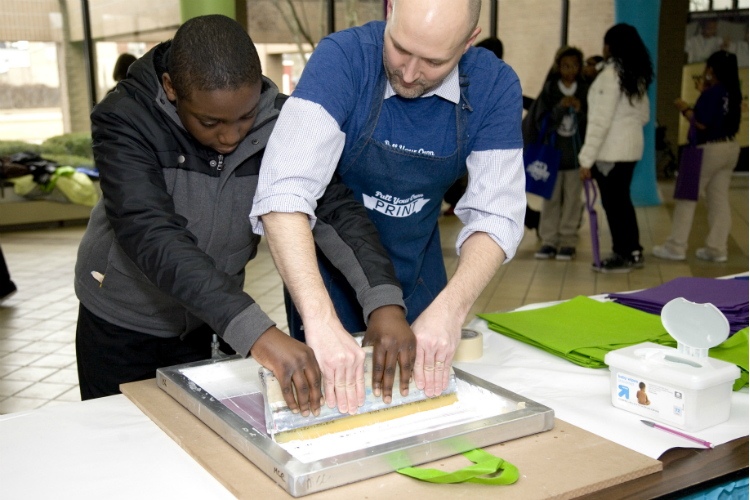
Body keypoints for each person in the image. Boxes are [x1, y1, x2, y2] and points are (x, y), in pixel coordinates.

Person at [74, 15, 413, 415]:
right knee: (119, 444)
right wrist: (260, 334)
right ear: (171, 88)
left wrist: (383, 301)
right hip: (121, 325)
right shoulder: (124, 118)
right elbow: (151, 234)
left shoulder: (283, 120)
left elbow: (335, 208)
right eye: (210, 121)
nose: (231, 136)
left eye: (246, 116)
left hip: (208, 320)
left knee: (194, 442)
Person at [251, 0, 525, 411]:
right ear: (390, 9)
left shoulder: (494, 86)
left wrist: (452, 310)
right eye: (399, 48)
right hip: (328, 275)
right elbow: (283, 189)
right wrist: (320, 319)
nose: (409, 73)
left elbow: (497, 214)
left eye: (433, 61)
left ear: (469, 41)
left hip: (420, 271)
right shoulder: (342, 59)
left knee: (420, 405)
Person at [652, 51, 742, 263]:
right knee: (718, 200)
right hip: (730, 149)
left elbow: (701, 122)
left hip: (707, 150)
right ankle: (717, 249)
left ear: (711, 69)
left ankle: (676, 246)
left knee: (687, 198)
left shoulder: (712, 94)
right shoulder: (733, 91)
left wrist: (684, 108)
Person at [578, 24, 652, 273]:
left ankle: (623, 253)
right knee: (622, 202)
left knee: (614, 204)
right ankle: (633, 251)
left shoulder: (609, 77)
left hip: (610, 154)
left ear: (611, 46)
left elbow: (599, 121)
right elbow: (643, 116)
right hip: (631, 151)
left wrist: (586, 160)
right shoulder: (636, 75)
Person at [527, 46, 588, 261]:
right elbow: (541, 120)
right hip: (551, 157)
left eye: (574, 66)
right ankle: (549, 241)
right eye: (565, 66)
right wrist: (560, 107)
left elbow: (590, 123)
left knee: (572, 200)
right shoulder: (550, 89)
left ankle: (568, 241)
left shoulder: (586, 90)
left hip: (576, 159)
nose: (570, 70)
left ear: (580, 67)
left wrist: (580, 111)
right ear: (558, 67)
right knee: (550, 200)